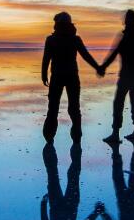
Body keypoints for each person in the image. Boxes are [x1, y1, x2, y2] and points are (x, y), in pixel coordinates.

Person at [41, 11, 103, 142]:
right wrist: (43, 73)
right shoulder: (59, 39)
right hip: (66, 77)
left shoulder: (64, 39)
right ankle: (57, 137)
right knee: (63, 108)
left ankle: (61, 137)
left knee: (59, 108)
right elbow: (46, 58)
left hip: (64, 77)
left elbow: (85, 55)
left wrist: (97, 67)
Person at [99, 9, 134, 144]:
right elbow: (116, 53)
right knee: (131, 102)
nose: (125, 21)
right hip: (133, 75)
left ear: (131, 20)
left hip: (130, 75)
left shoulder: (132, 36)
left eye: (127, 19)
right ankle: (133, 132)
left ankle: (118, 134)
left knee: (120, 103)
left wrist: (103, 67)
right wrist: (103, 67)